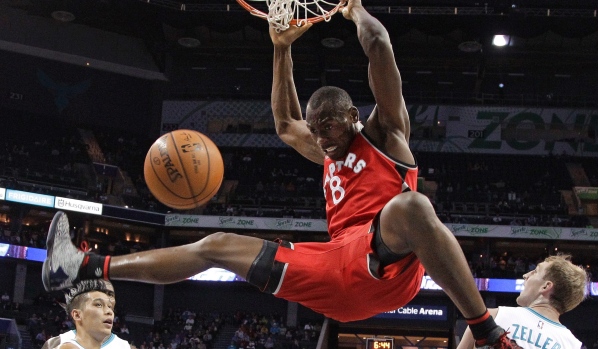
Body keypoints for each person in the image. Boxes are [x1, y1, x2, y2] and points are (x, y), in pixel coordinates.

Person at [42, 1, 510, 348]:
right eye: (318, 130)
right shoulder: (325, 147)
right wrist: (280, 50)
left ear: (352, 116)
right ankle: (84, 266)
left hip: (389, 265)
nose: (322, 139)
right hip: (337, 269)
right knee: (215, 245)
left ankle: (484, 329)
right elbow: (286, 124)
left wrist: (356, 10)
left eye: (329, 127)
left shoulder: (386, 135)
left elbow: (380, 46)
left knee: (412, 205)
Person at [457, 254, 589, 349]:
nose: (525, 275)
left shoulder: (493, 317)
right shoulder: (572, 344)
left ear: (545, 286)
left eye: (535, 272)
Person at [42, 280, 131, 349]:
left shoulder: (123, 346)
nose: (109, 312)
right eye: (99, 305)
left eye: (110, 307)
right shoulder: (55, 343)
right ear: (77, 315)